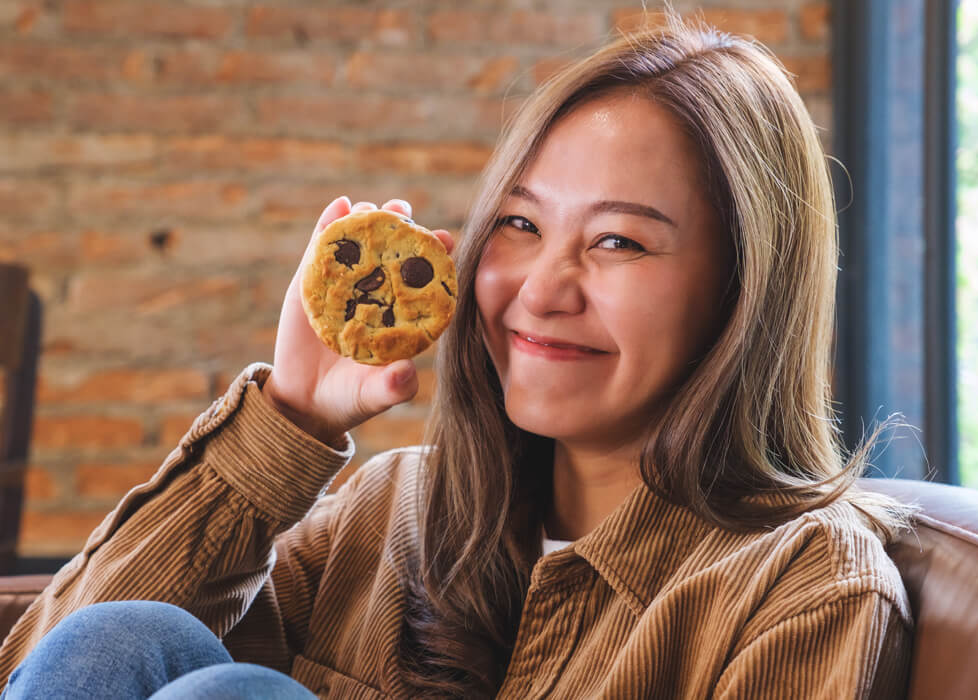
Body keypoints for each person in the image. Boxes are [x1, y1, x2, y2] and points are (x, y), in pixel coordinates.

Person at [0, 13, 912, 700]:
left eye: (619, 242)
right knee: (125, 637)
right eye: (520, 224)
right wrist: (290, 418)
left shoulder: (807, 588)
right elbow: (46, 666)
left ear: (745, 289)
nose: (541, 289)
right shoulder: (391, 510)